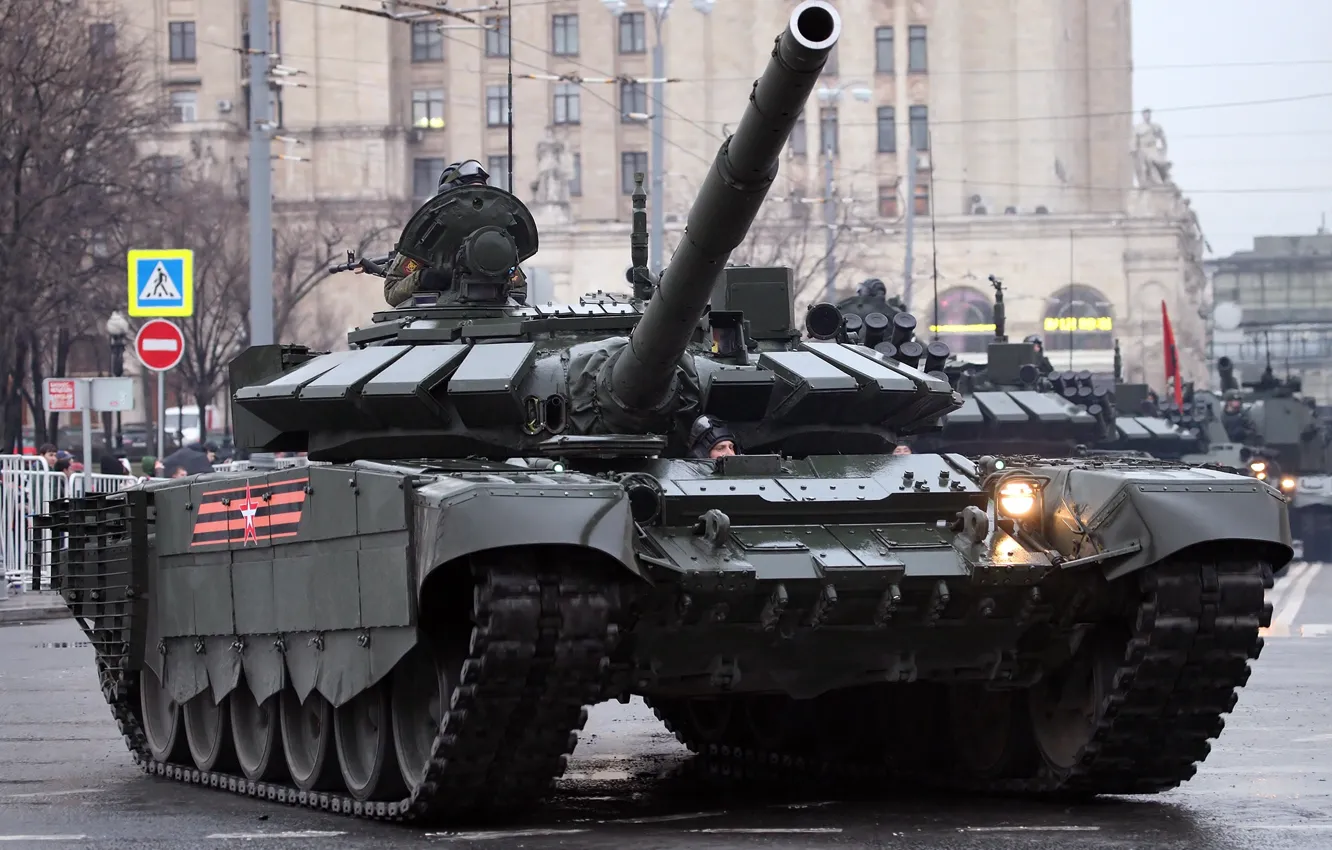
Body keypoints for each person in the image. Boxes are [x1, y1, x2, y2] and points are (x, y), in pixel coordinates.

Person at [383, 159, 494, 307]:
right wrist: (421, 278)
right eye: (471, 193)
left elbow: (518, 287)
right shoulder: (429, 236)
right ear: (448, 193)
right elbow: (392, 291)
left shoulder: (494, 235)